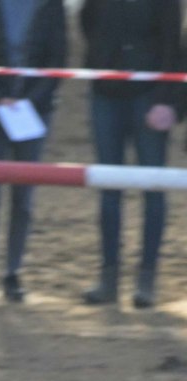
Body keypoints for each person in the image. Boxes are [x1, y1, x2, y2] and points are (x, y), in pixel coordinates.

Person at [77, 0, 182, 309]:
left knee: (154, 187)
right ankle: (109, 277)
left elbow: (172, 44)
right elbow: (87, 20)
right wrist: (101, 59)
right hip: (106, 94)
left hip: (149, 96)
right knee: (108, 188)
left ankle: (146, 278)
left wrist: (167, 102)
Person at [0, 0, 65, 305]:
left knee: (24, 197)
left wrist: (30, 101)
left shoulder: (51, 5)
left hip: (34, 110)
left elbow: (57, 58)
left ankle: (13, 271)